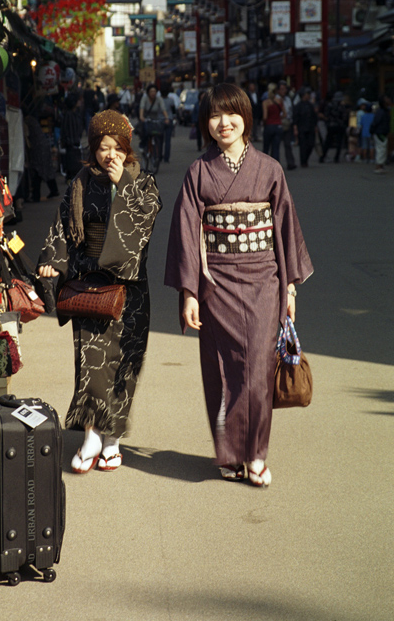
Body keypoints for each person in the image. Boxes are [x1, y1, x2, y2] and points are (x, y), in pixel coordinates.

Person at [164, 83, 313, 488]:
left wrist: (291, 290)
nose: (223, 123)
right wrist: (189, 292)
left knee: (258, 371)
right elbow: (185, 234)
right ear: (206, 124)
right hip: (217, 282)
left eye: (231, 114)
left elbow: (285, 230)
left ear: (246, 118)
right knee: (222, 369)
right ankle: (230, 453)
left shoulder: (269, 169)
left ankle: (257, 454)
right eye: (214, 116)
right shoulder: (199, 172)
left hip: (264, 280)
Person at [38, 110, 161, 473]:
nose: (110, 155)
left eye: (116, 147)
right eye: (103, 147)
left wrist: (123, 184)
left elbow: (144, 222)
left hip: (130, 288)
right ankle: (92, 434)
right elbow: (63, 225)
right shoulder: (80, 181)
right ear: (93, 149)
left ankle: (113, 439)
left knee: (124, 365)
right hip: (90, 284)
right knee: (90, 362)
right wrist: (53, 260)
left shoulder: (143, 183)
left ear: (127, 148)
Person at [138, 84, 170, 153]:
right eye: (151, 91)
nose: (153, 93)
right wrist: (141, 117)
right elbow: (142, 108)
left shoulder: (159, 99)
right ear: (148, 93)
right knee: (146, 132)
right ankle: (142, 145)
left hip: (155, 119)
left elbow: (163, 109)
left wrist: (166, 118)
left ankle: (158, 152)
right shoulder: (145, 98)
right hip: (146, 118)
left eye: (154, 91)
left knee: (159, 133)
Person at [319, 91, 349, 163]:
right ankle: (336, 158)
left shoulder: (330, 105)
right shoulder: (342, 106)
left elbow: (326, 115)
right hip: (340, 125)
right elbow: (344, 116)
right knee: (339, 142)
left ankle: (323, 156)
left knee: (328, 141)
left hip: (331, 125)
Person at [292, 87, 317, 167]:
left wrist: (315, 126)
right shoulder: (298, 106)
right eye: (307, 94)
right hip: (301, 127)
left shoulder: (310, 105)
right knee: (303, 146)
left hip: (310, 127)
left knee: (311, 144)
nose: (308, 96)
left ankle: (305, 159)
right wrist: (295, 128)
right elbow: (295, 118)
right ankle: (303, 161)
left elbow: (314, 116)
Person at [262, 83, 285, 161]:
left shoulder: (265, 102)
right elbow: (285, 114)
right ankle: (276, 167)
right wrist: (278, 118)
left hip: (269, 125)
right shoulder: (279, 101)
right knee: (276, 148)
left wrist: (264, 123)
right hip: (278, 126)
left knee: (266, 148)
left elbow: (265, 116)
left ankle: (265, 166)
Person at [370, 95, 391, 174]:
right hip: (380, 132)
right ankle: (378, 166)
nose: (389, 99)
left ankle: (380, 165)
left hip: (381, 131)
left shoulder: (383, 111)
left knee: (382, 148)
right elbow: (376, 122)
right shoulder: (382, 111)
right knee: (381, 149)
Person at [278, 82, 297, 170]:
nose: (284, 91)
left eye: (285, 89)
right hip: (279, 123)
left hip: (287, 123)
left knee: (288, 144)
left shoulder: (288, 99)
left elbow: (291, 111)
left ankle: (290, 162)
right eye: (282, 89)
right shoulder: (276, 99)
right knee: (276, 145)